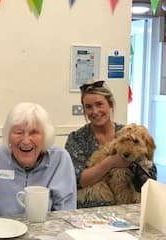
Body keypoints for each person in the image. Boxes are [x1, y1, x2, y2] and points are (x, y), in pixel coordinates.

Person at [0, 102, 77, 221]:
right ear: (8, 135)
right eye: (18, 133)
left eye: (33, 133)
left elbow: (66, 214)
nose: (26, 141)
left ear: (45, 136)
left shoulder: (60, 159)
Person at [65, 80, 157, 208]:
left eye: (99, 104)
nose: (95, 111)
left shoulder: (128, 133)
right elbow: (77, 180)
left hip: (129, 208)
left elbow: (150, 178)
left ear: (110, 104)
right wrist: (111, 162)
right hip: (91, 210)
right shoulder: (77, 139)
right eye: (88, 107)